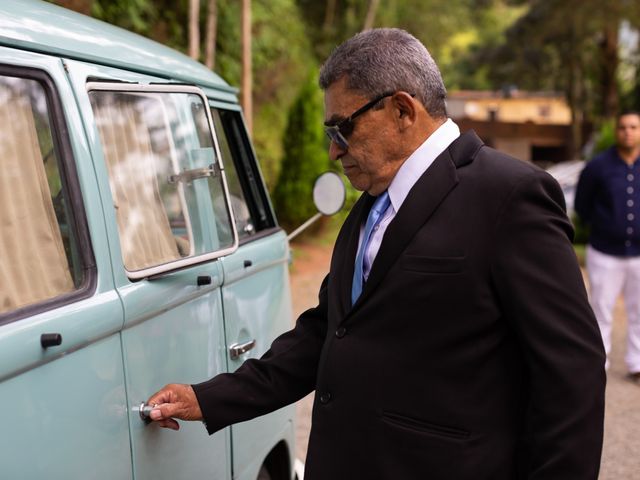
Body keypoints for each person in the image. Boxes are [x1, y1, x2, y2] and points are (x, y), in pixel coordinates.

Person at [148, 28, 606, 479]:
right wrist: (208, 398)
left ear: (402, 110)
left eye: (342, 128)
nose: (332, 150)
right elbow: (326, 332)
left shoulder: (509, 195)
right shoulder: (369, 208)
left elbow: (571, 373)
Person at [575, 111, 640, 382]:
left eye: (633, 127)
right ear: (616, 131)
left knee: (639, 311)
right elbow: (582, 205)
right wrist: (603, 226)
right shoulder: (598, 167)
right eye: (623, 127)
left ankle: (637, 364)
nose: (628, 132)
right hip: (604, 252)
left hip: (639, 254)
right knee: (600, 309)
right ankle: (597, 366)